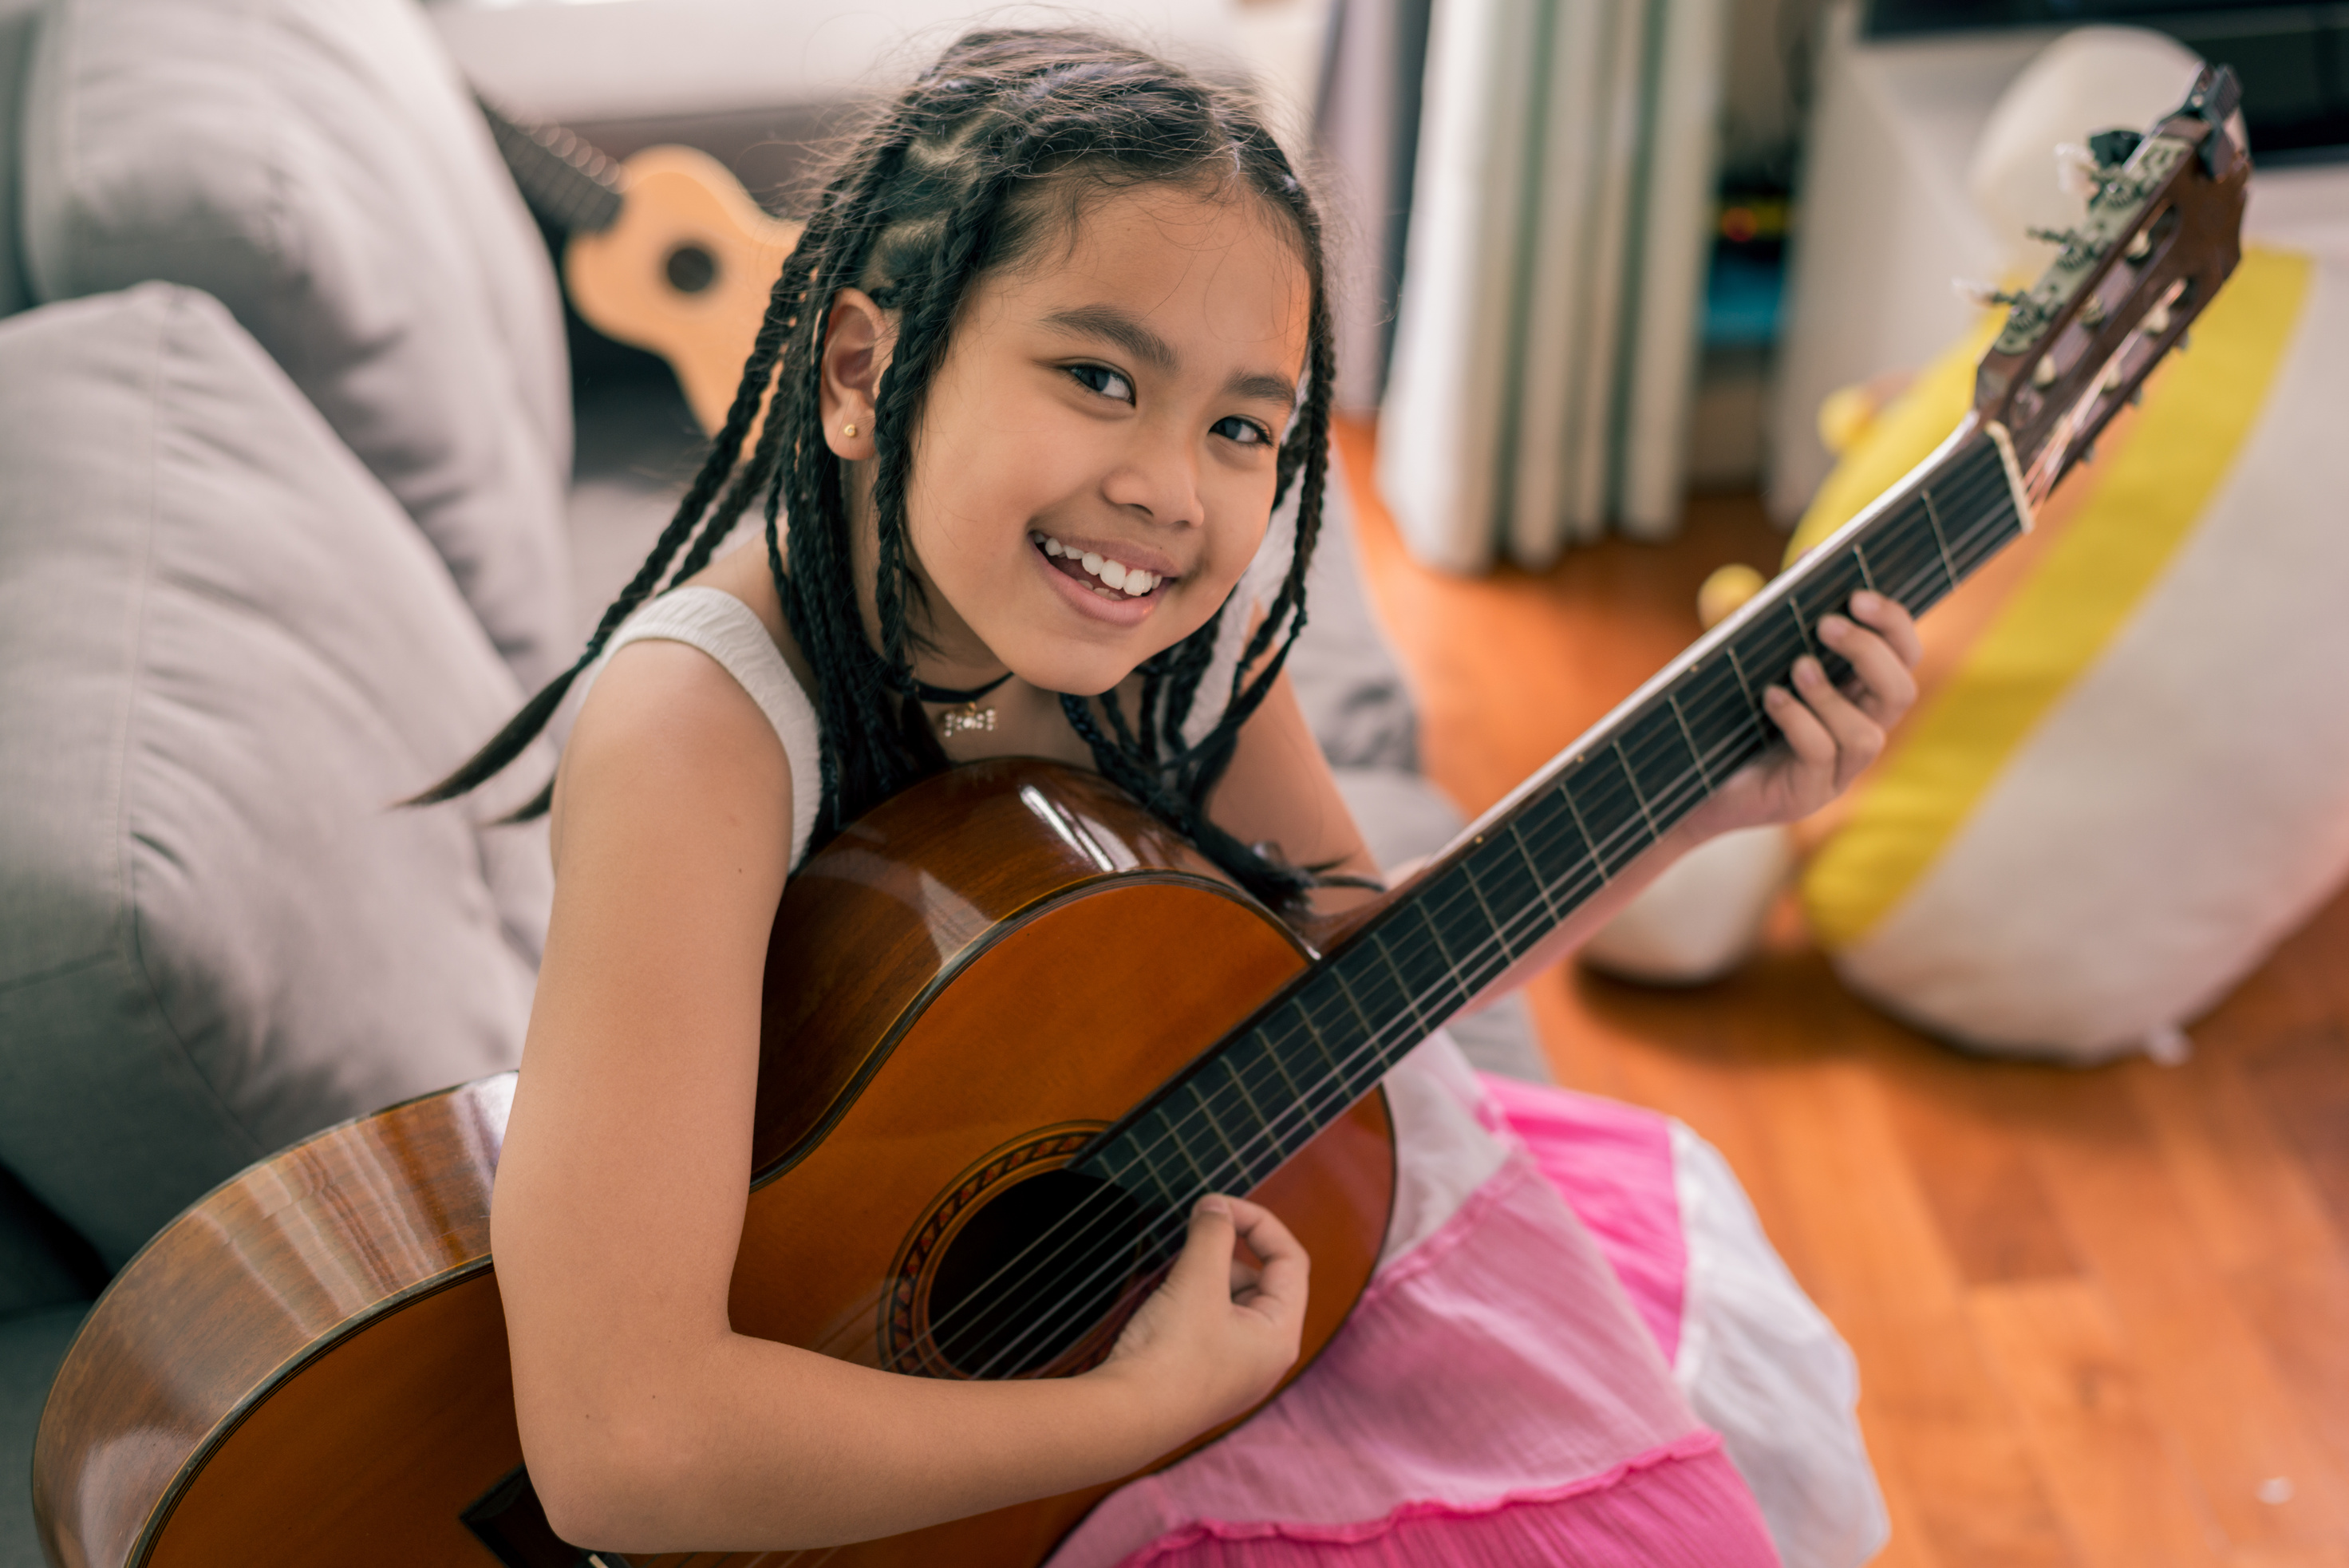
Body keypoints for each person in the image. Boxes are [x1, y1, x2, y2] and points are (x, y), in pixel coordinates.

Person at [422, 28, 1921, 1562]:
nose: (1170, 489)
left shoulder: (1153, 627)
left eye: (1240, 426)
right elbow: (621, 1447)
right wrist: (1135, 1412)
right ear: (865, 369)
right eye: (1097, 375)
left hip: (1226, 1276)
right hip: (972, 1433)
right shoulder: (700, 730)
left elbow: (1357, 977)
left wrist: (1700, 805)